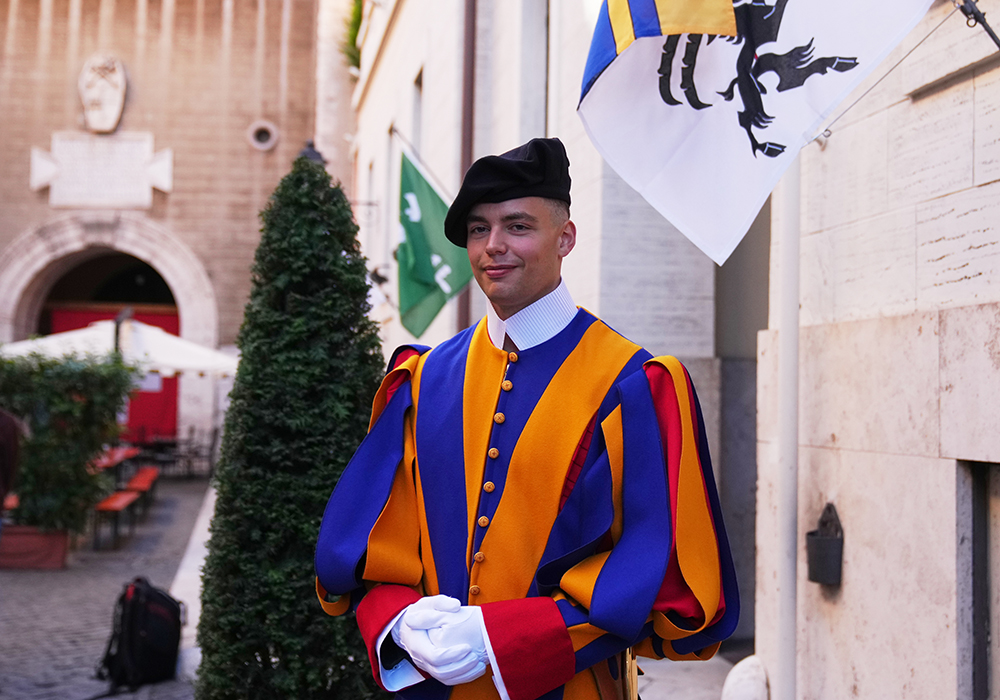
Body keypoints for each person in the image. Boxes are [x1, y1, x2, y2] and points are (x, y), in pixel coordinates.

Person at [315, 138, 738, 700]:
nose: (493, 247)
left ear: (565, 238)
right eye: (477, 230)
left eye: (517, 226)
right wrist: (398, 621)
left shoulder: (633, 385)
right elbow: (376, 542)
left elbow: (657, 571)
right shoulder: (422, 380)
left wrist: (504, 638)